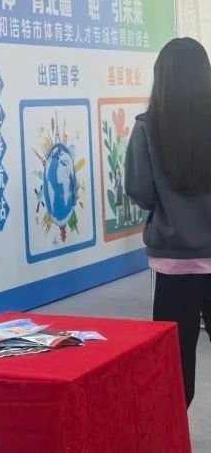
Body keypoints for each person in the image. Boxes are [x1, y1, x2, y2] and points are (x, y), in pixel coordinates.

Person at [125, 36, 211, 407]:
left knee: (174, 368)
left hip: (175, 265)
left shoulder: (147, 127)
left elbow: (140, 190)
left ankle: (173, 435)